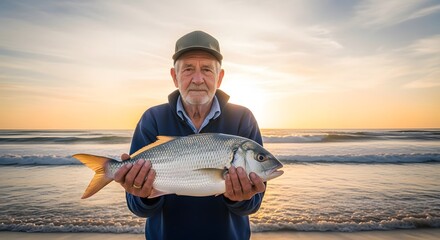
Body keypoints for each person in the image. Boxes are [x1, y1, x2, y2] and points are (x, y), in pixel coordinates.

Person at [114, 30, 266, 240]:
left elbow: (253, 204)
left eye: (206, 69)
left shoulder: (242, 118)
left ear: (219, 77)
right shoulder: (153, 119)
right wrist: (143, 195)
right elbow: (138, 208)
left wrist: (240, 198)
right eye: (188, 69)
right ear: (174, 76)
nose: (197, 79)